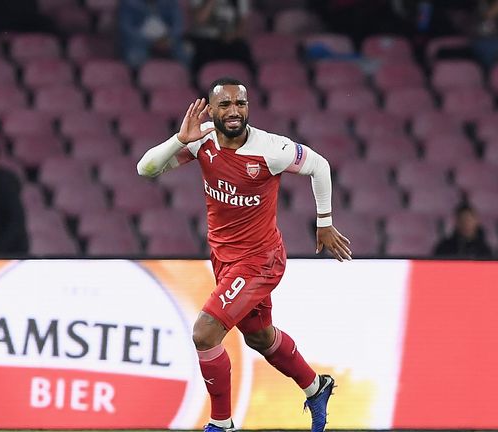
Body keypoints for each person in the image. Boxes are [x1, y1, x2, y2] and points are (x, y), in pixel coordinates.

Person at [136, 77, 351, 432]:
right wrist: (179, 139)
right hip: (224, 259)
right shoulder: (201, 140)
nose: (234, 111)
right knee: (260, 337)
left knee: (205, 333)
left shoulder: (271, 150)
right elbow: (146, 169)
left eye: (240, 104)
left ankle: (221, 423)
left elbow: (320, 166)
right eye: (225, 105)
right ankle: (317, 387)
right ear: (211, 109)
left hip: (261, 260)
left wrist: (324, 222)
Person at [187, 0, 253, 73]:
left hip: (231, 38)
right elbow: (199, 20)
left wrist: (232, 35)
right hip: (205, 38)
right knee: (203, 53)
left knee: (243, 51)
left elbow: (243, 26)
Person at [118, 0, 188, 68]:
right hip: (140, 43)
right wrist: (151, 42)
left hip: (167, 41)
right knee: (134, 59)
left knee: (186, 55)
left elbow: (178, 24)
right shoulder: (128, 2)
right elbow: (127, 29)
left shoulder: (170, 2)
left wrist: (170, 39)